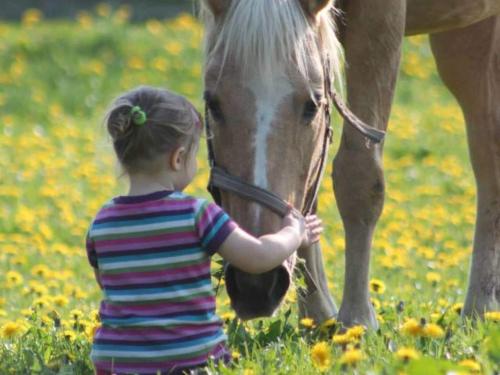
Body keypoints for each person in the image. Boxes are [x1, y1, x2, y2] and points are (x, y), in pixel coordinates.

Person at [85, 86, 323, 375]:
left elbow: (108, 283)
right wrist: (294, 234)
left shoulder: (102, 222)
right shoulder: (197, 215)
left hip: (116, 363)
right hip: (192, 362)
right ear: (178, 158)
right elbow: (257, 256)